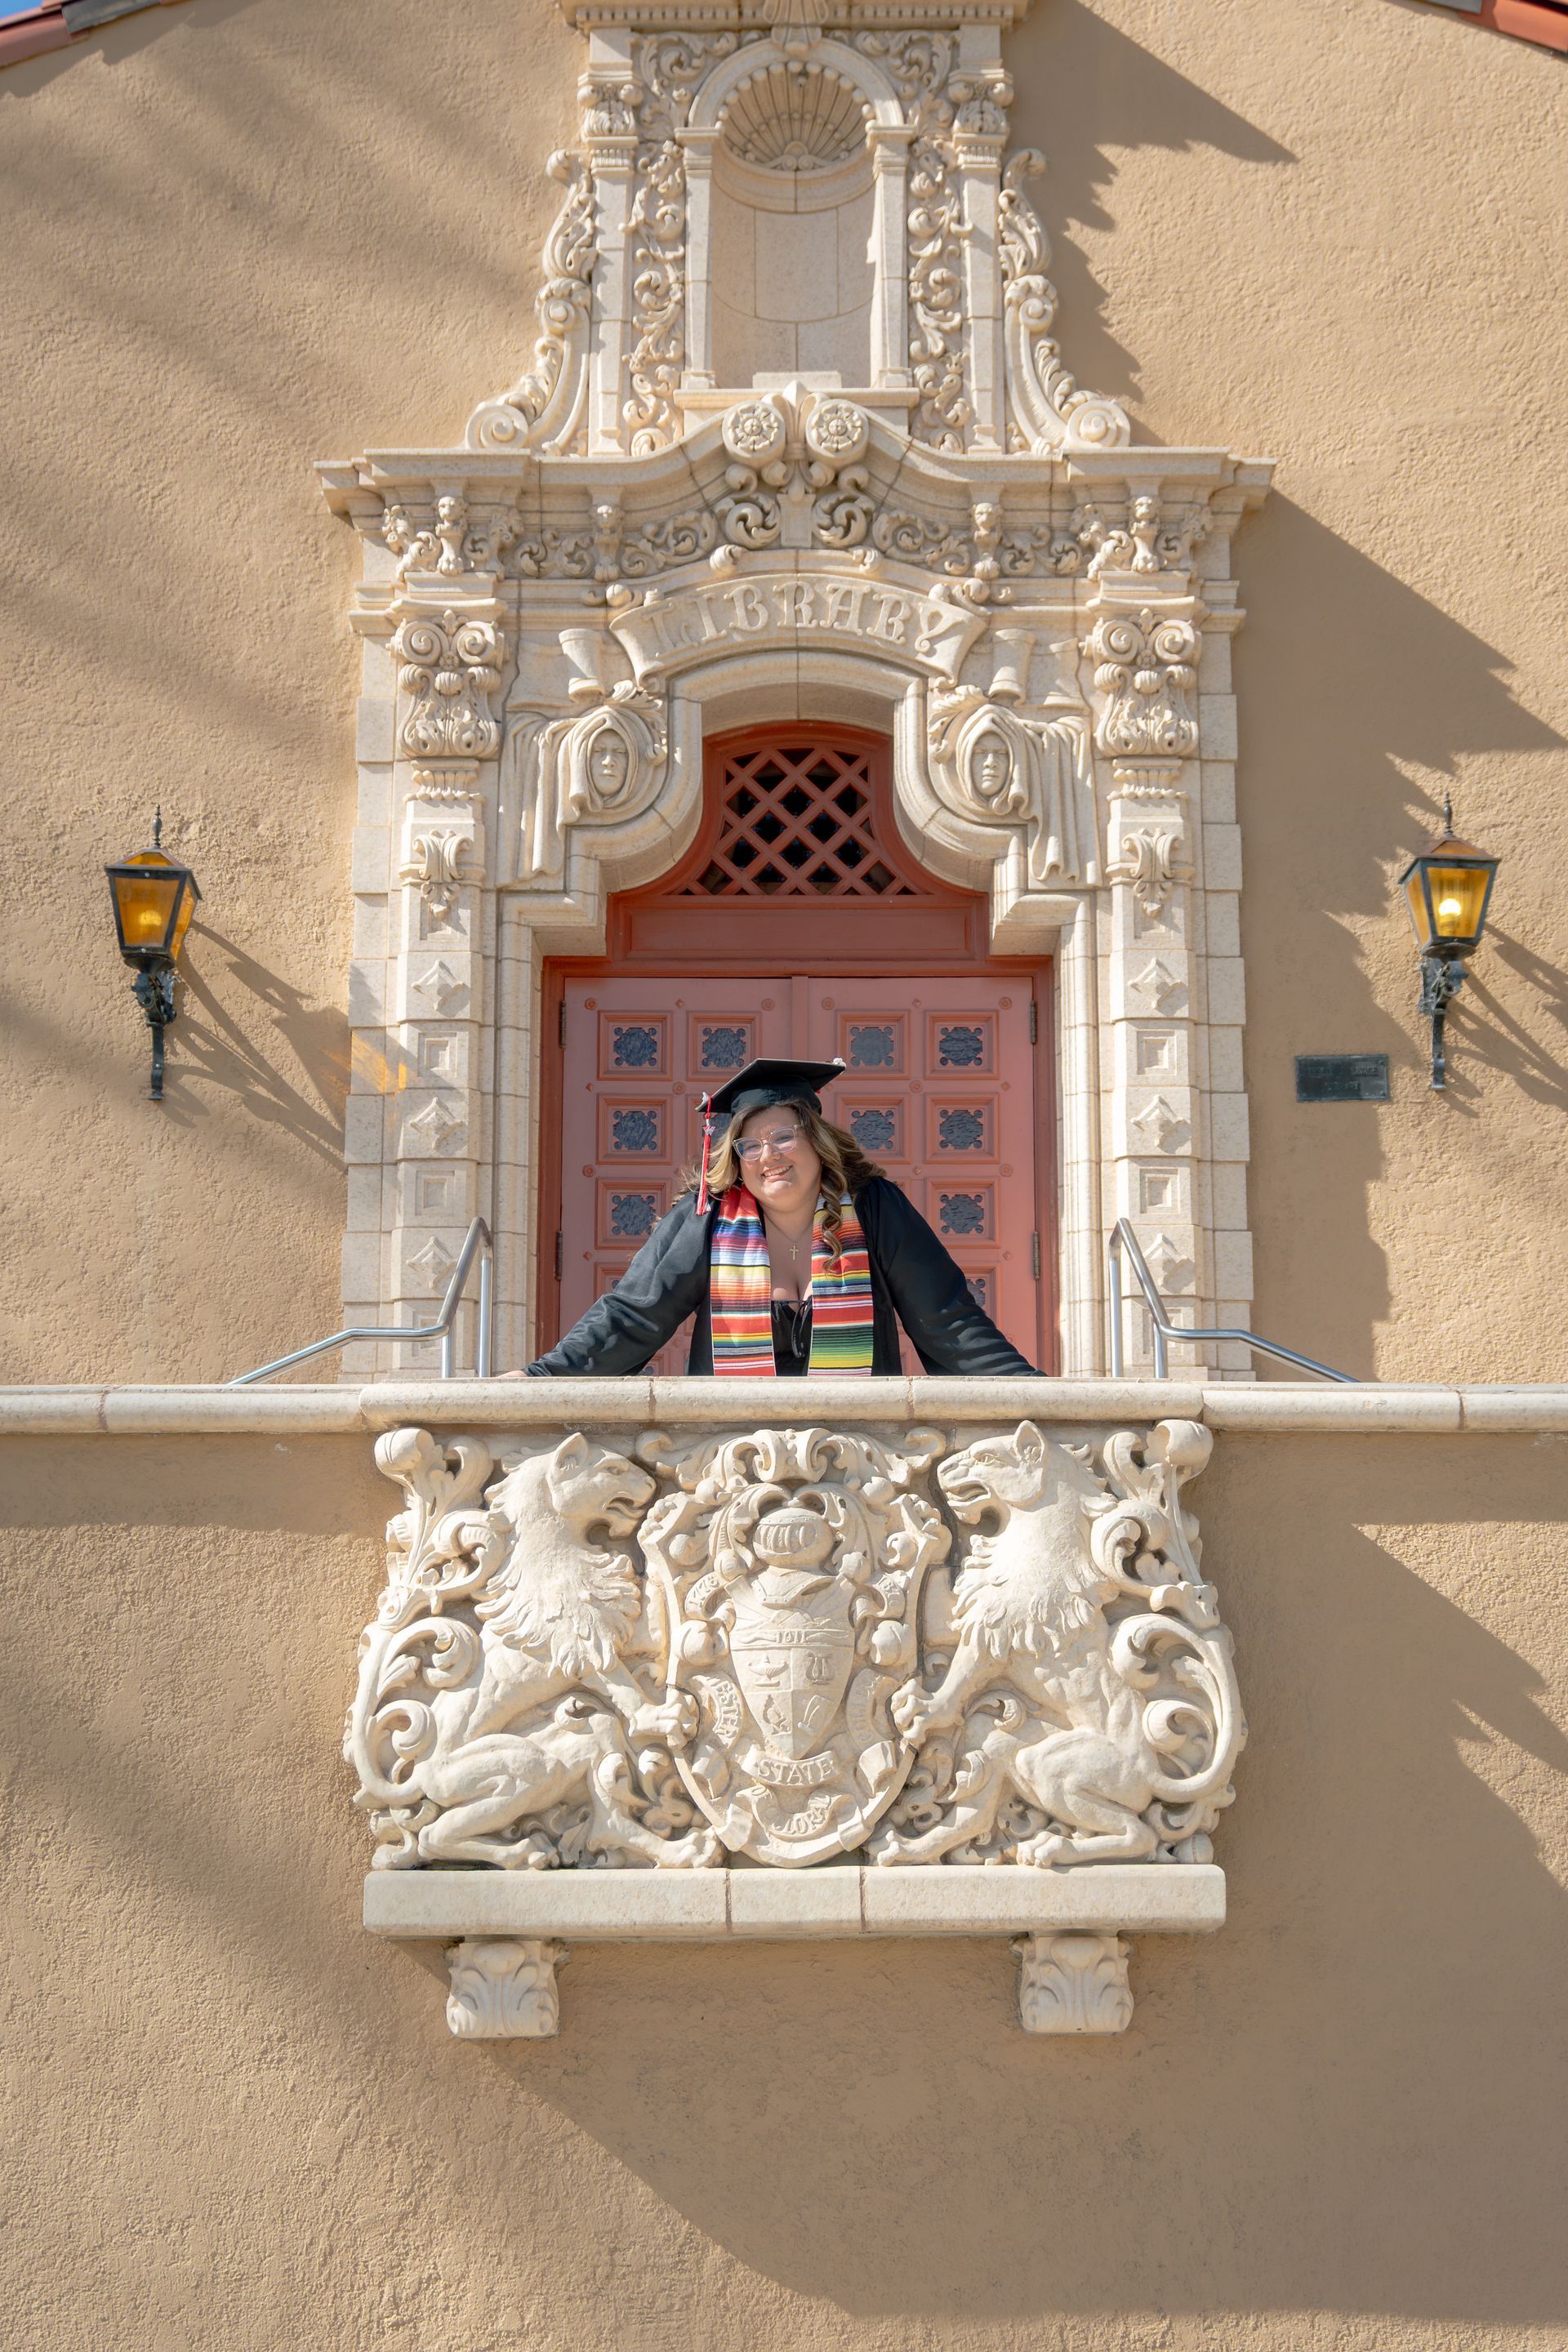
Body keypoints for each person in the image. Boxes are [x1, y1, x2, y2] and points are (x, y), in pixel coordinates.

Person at [526, 1056, 1037, 1379]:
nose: (768, 1155)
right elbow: (635, 1314)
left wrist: (1027, 1392)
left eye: (784, 1137)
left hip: (861, 1453)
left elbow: (945, 1318)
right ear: (735, 1157)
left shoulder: (874, 1208)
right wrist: (544, 1376)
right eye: (750, 1144)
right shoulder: (706, 1217)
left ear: (816, 1138)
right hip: (730, 1451)